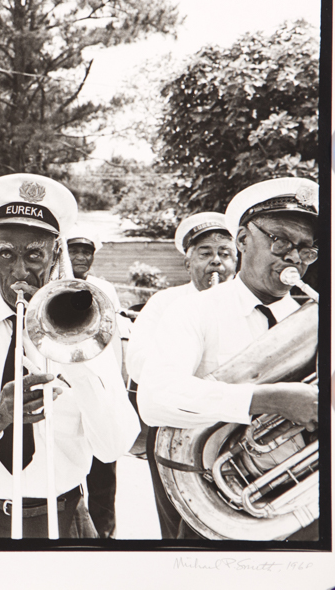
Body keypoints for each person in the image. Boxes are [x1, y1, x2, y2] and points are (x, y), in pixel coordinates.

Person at [0, 173, 140, 538]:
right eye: (5, 254)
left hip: (65, 516)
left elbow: (115, 445)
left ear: (54, 256)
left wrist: (76, 361)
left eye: (35, 253)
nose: (20, 271)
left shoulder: (86, 324)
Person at [137, 177, 319, 541]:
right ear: (241, 240)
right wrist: (266, 400)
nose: (293, 257)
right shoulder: (194, 311)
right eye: (280, 239)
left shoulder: (316, 317)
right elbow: (154, 398)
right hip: (220, 511)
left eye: (307, 248)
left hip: (306, 508)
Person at [126, 211, 236, 540]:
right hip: (174, 429)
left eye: (225, 253)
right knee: (176, 526)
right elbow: (137, 362)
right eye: (205, 253)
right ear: (188, 263)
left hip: (232, 432)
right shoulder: (164, 303)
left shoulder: (246, 304)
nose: (216, 263)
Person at [65, 225, 131, 539]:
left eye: (86, 251)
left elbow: (117, 337)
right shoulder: (54, 286)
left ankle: (105, 533)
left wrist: (120, 382)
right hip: (65, 387)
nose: (80, 257)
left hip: (101, 381)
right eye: (74, 250)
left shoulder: (105, 288)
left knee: (104, 465)